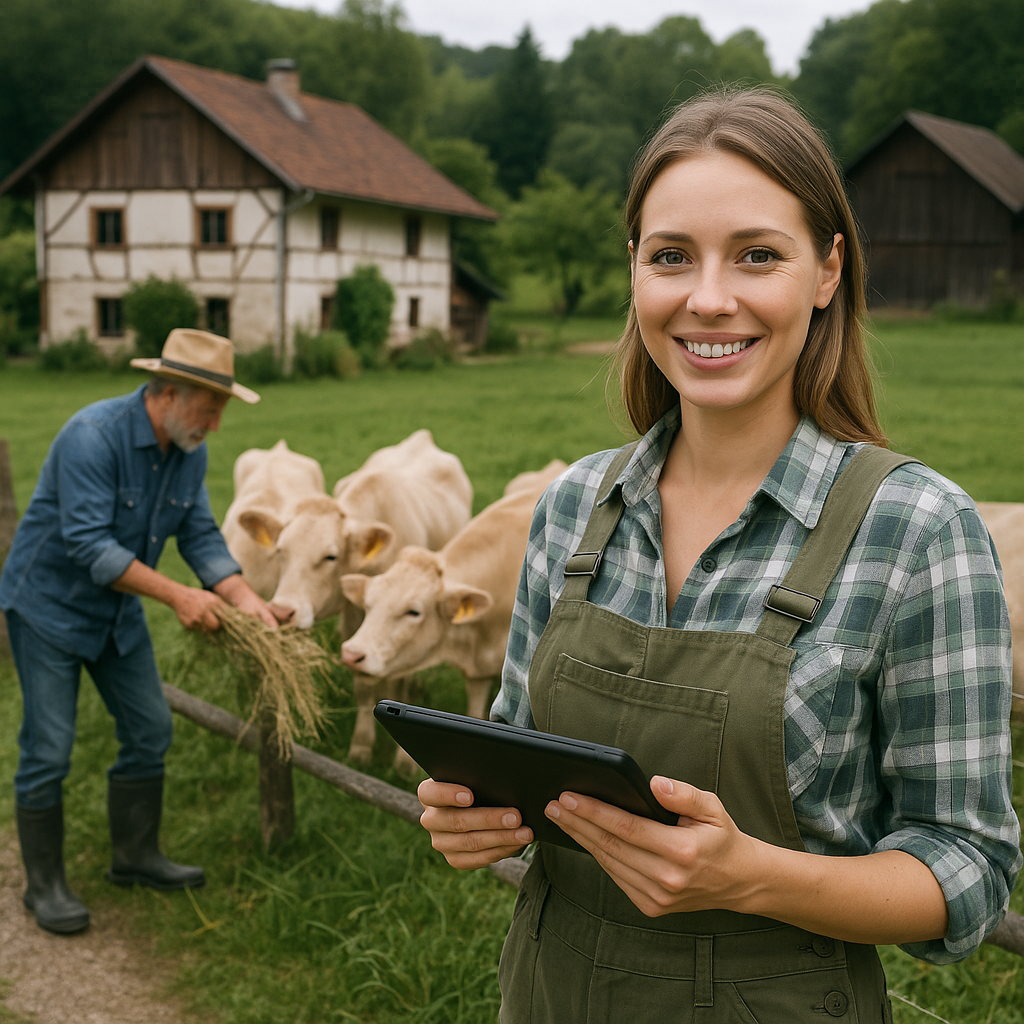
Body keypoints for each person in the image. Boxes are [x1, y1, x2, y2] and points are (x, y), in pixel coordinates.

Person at [418, 87, 1022, 1022]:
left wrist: (751, 878)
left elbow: (969, 869)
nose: (707, 298)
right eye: (671, 257)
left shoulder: (917, 530)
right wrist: (476, 819)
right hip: (547, 994)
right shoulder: (573, 506)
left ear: (827, 271)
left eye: (756, 255)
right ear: (634, 272)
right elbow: (515, 750)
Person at [0, 327, 280, 936]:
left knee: (149, 729)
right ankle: (42, 885)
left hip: (115, 612)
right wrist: (179, 594)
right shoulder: (91, 437)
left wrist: (244, 598)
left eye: (219, 412)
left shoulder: (188, 449)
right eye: (210, 410)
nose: (215, 425)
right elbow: (88, 546)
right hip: (47, 608)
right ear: (171, 393)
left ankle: (135, 856)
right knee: (48, 747)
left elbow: (199, 533)